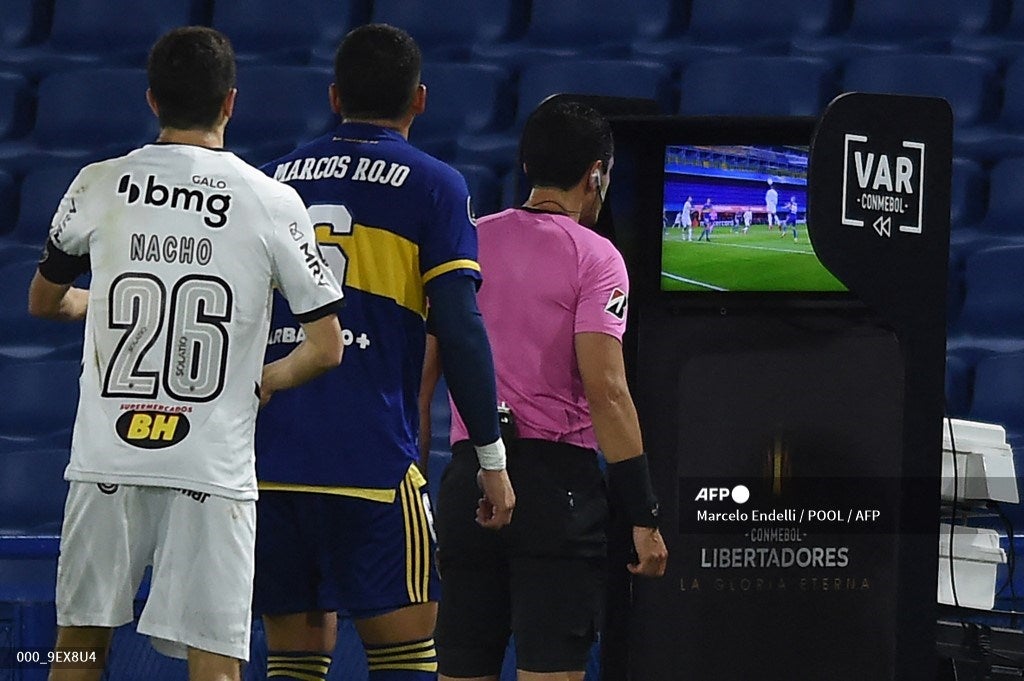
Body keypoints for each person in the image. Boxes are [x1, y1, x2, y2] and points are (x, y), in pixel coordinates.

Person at [27, 26, 345, 681]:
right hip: (210, 464)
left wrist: (99, 302)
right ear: (230, 102)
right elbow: (327, 347)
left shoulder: (98, 183)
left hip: (106, 456)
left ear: (152, 100)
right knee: (216, 665)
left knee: (76, 648)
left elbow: (44, 302)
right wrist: (264, 379)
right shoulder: (271, 200)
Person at [251, 24, 514, 681]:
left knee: (292, 663)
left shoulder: (270, 181)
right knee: (405, 659)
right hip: (370, 459)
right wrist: (491, 459)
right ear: (419, 99)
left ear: (334, 96)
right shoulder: (436, 185)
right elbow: (459, 328)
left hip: (270, 461)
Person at [423, 100, 668, 681]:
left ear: (527, 164)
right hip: (557, 493)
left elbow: (421, 374)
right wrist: (643, 513)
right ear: (596, 174)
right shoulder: (598, 257)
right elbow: (608, 392)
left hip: (469, 480)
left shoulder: (467, 241)